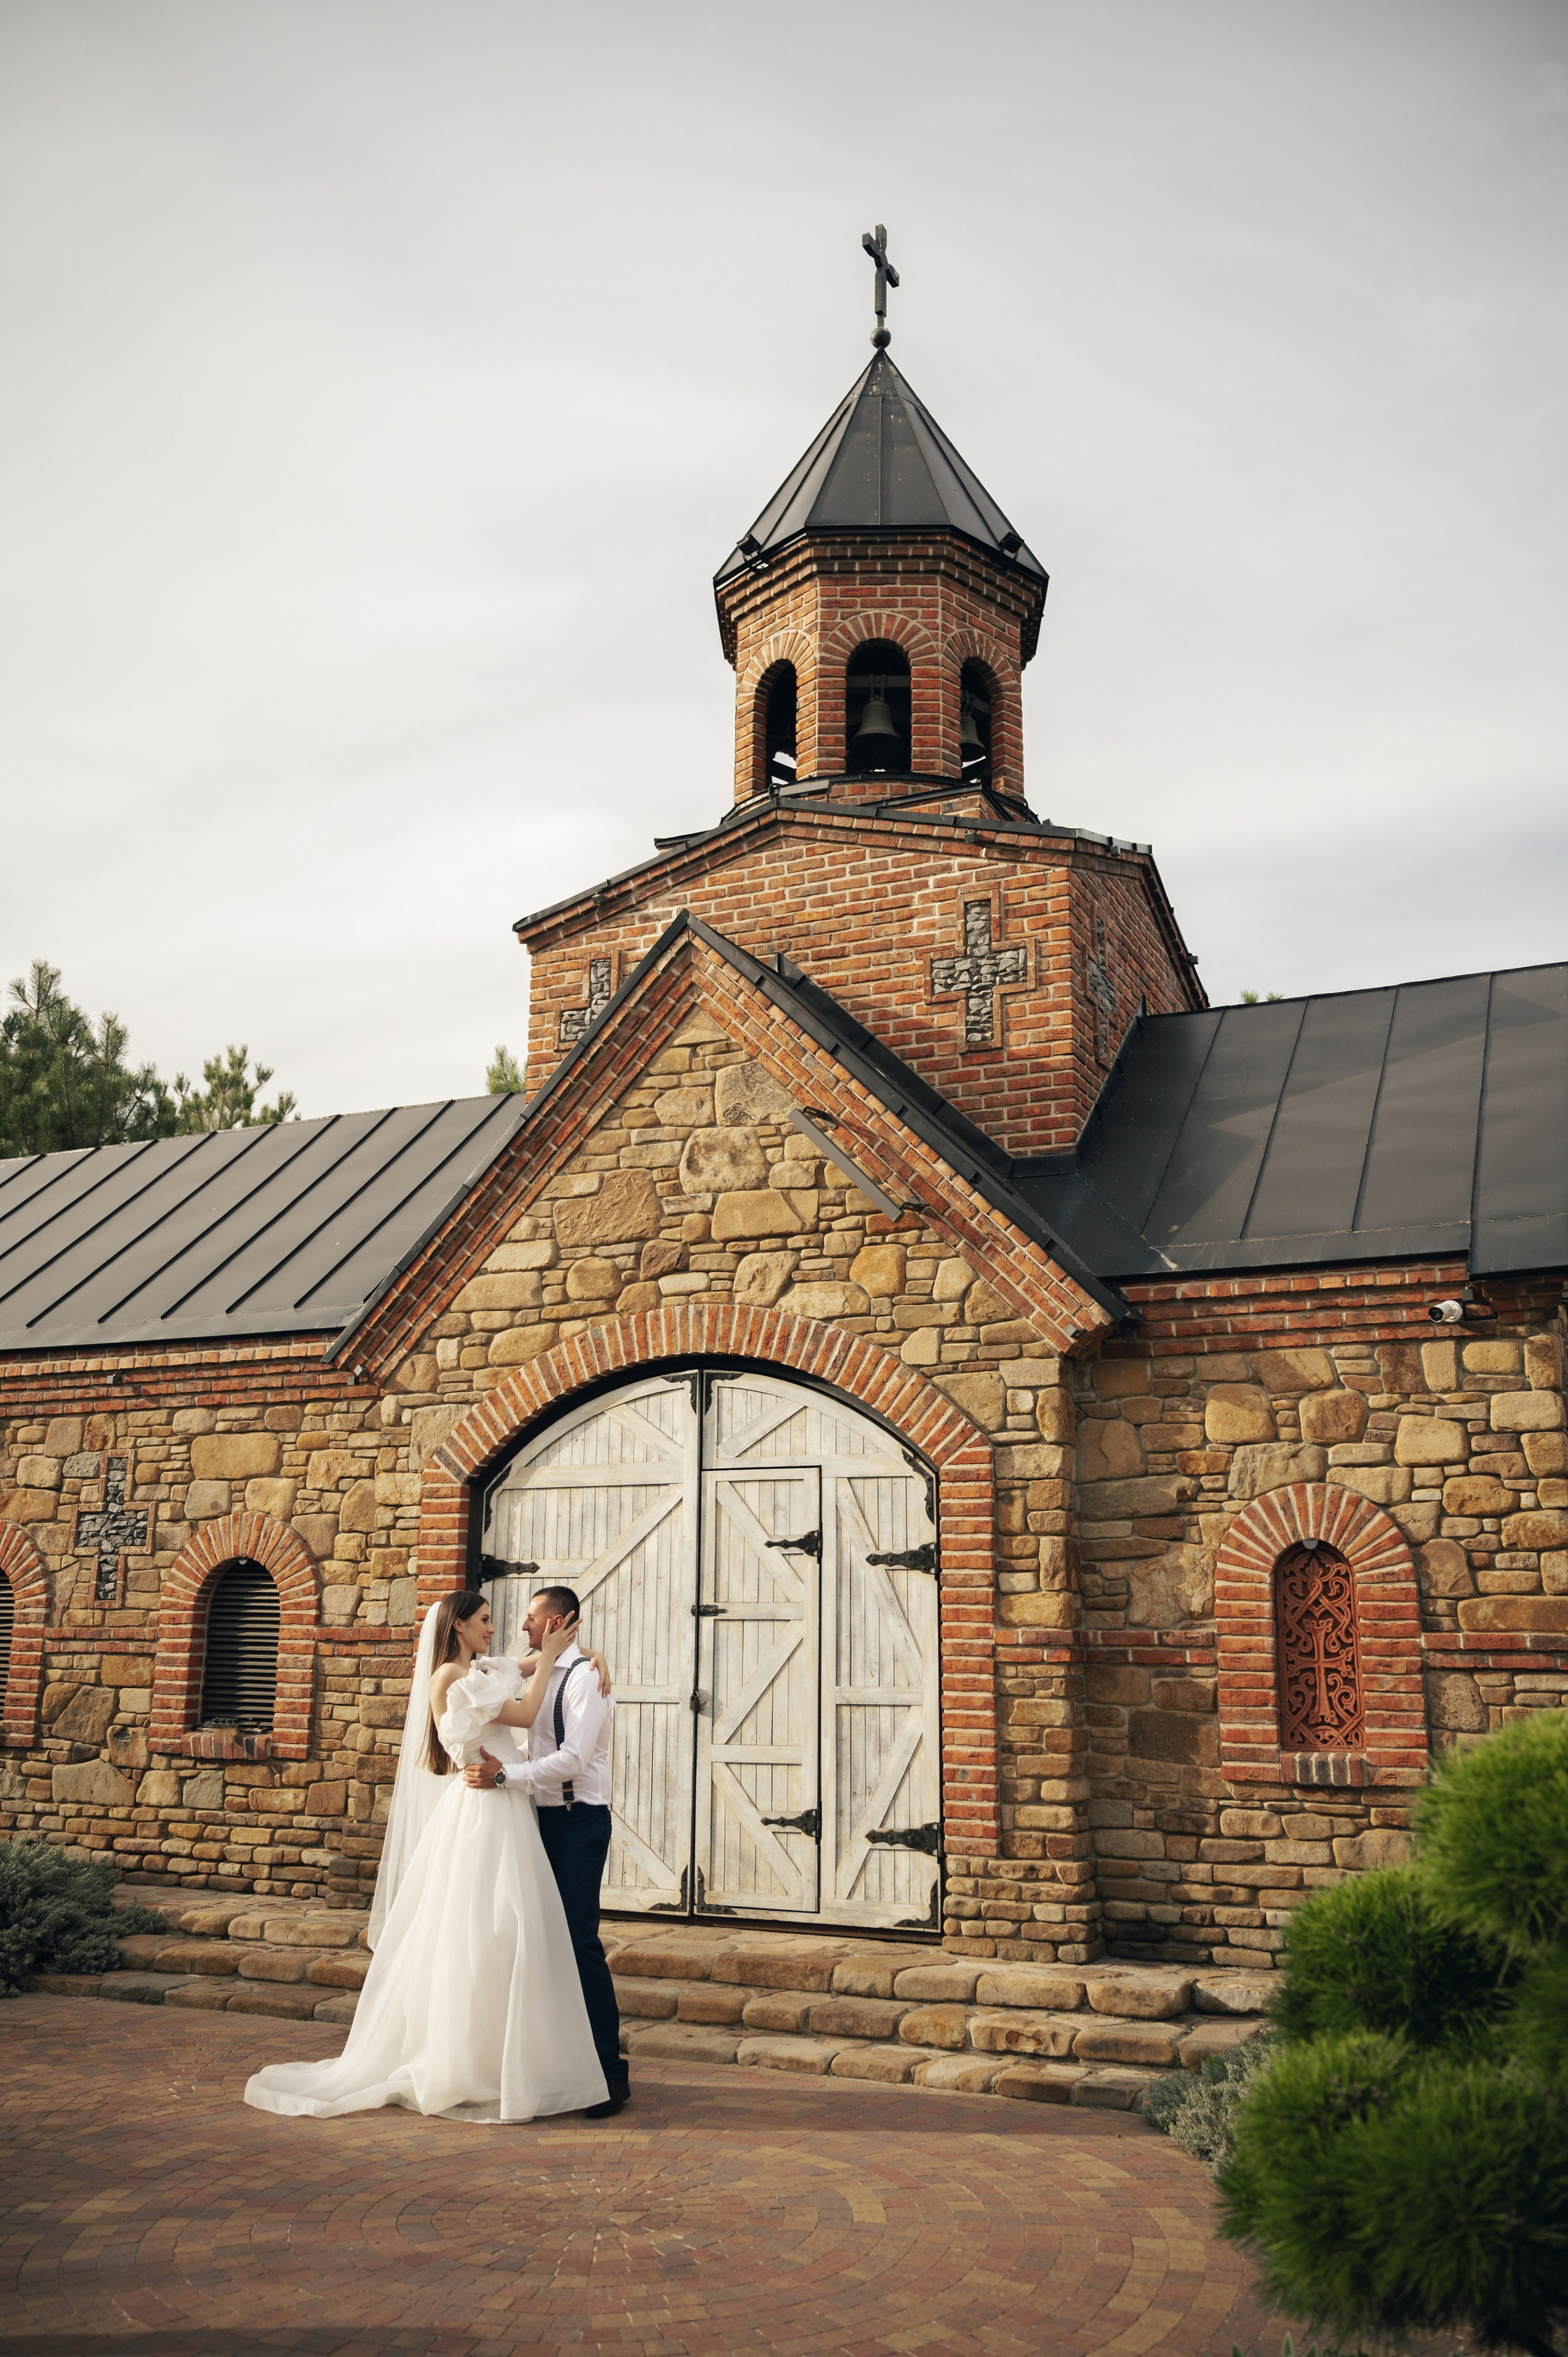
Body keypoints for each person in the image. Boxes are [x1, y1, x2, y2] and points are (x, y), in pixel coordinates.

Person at [243, 1590, 609, 2124]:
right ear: (458, 1626)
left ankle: (510, 2058)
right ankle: (467, 2063)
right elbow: (529, 1713)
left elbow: (524, 1664)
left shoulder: (477, 1671)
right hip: (487, 1812)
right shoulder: (451, 1679)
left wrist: (589, 1655)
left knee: (509, 1936)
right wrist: (553, 1655)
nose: (495, 1627)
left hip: (506, 1809)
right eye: (484, 1619)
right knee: (485, 1934)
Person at [463, 1583, 629, 2118]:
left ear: (560, 1621)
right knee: (537, 1945)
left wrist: (506, 1775)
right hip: (538, 1820)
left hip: (580, 1823)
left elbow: (574, 1759)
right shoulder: (533, 1670)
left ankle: (609, 2077)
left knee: (578, 1944)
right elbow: (478, 1663)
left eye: (534, 1617)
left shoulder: (588, 1680)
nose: (525, 1626)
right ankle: (557, 2068)